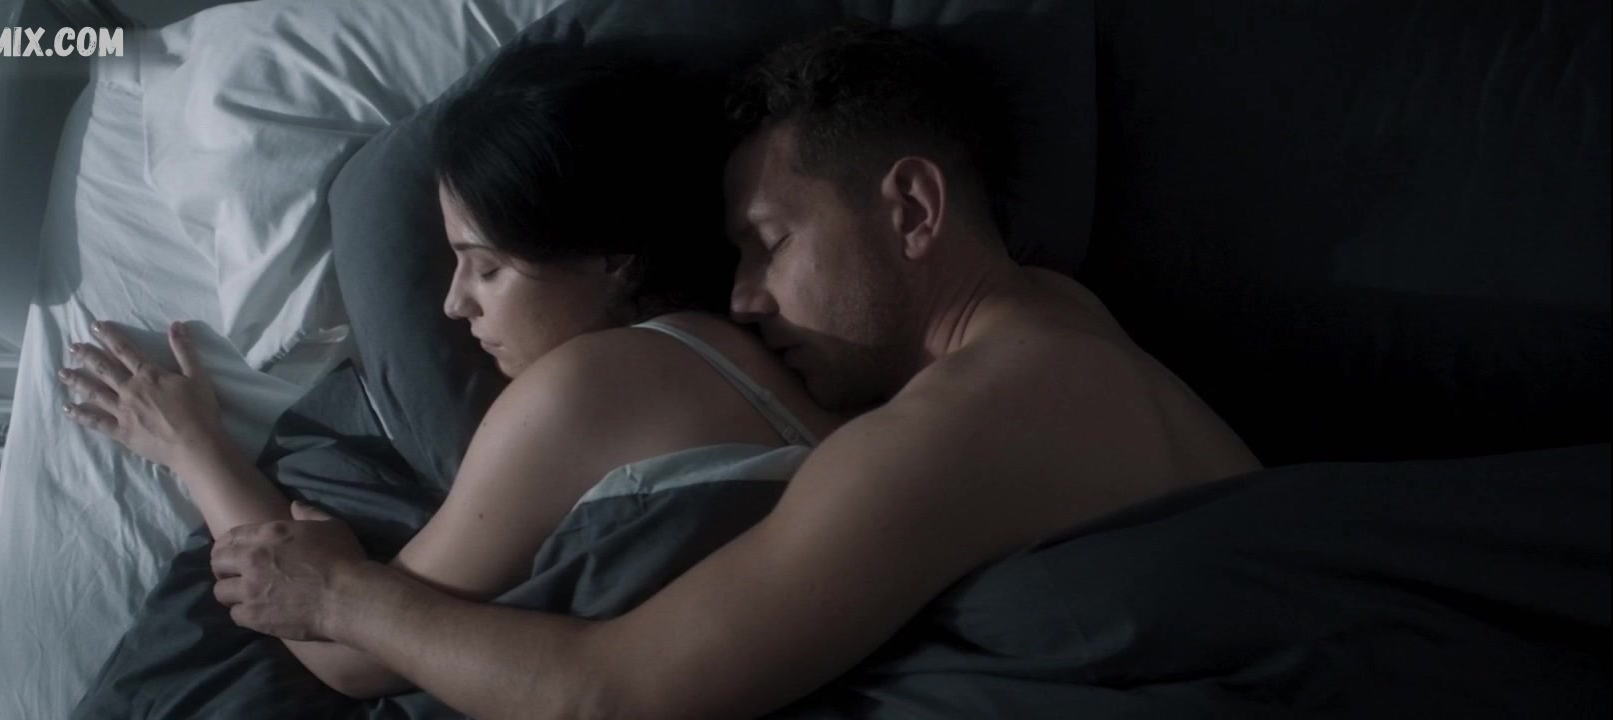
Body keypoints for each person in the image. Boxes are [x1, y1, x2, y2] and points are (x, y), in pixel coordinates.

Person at [207, 23, 1265, 719]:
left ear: (912, 209)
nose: (747, 298)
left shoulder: (963, 424)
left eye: (770, 243)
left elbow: (611, 698)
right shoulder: (1064, 321)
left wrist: (342, 595)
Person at [57, 45, 840, 698]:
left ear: (610, 259)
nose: (455, 303)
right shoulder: (740, 361)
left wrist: (194, 447)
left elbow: (351, 660)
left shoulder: (587, 389)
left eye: (486, 267)